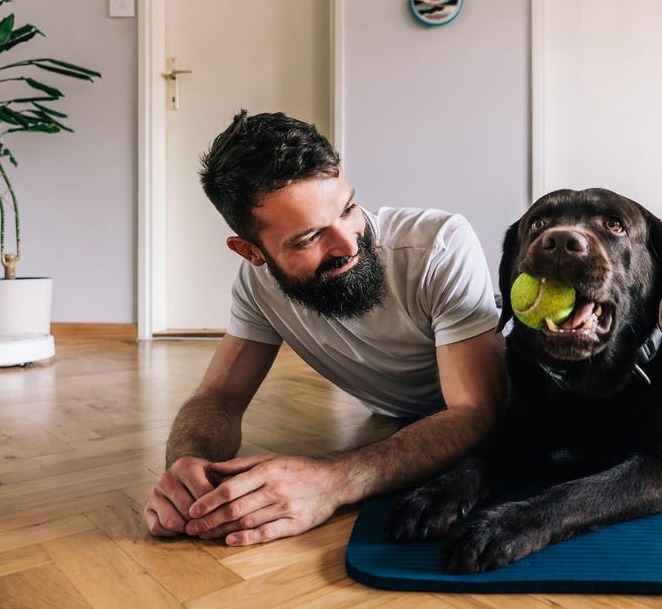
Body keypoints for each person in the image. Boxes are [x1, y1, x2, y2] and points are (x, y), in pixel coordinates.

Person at [143, 110, 506, 546]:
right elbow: (218, 399)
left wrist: (332, 479)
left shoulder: (438, 244)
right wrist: (188, 467)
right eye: (309, 237)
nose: (349, 243)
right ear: (251, 252)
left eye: (349, 208)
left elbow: (476, 412)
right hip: (402, 420)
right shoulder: (259, 286)